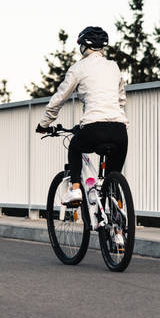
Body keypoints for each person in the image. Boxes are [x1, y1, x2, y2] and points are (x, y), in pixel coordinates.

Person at [36, 25, 129, 205]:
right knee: (113, 181)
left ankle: (76, 188)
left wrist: (44, 124)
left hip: (93, 128)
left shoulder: (78, 68)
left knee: (75, 147)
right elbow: (121, 100)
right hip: (119, 130)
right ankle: (118, 228)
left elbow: (59, 98)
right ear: (101, 47)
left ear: (84, 47)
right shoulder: (113, 66)